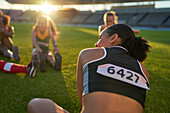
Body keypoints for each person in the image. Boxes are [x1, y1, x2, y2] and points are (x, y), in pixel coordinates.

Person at [27, 24, 151, 113]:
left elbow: (83, 101)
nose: (96, 44)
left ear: (113, 38)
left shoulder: (88, 54)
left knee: (37, 104)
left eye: (100, 38)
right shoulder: (144, 71)